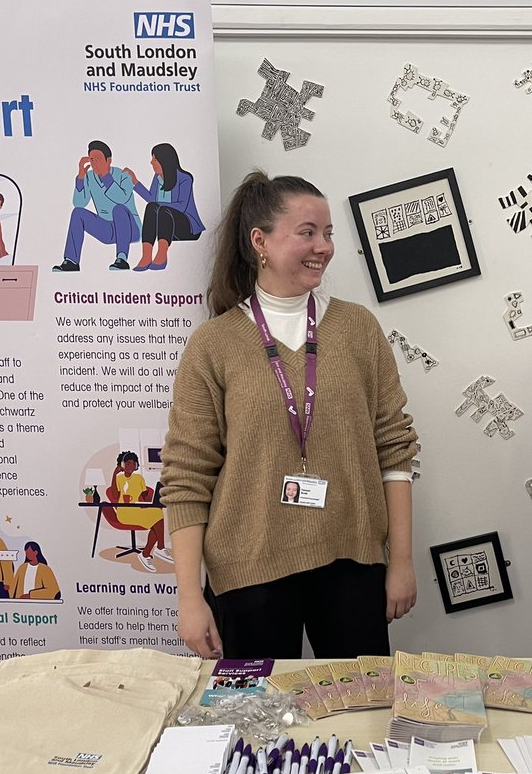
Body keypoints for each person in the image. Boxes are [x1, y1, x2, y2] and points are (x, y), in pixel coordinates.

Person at [161, 171, 419, 660]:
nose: (322, 246)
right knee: (256, 725)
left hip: (352, 561)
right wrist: (190, 599)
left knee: (359, 717)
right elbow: (187, 478)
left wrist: (400, 562)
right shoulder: (214, 344)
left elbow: (395, 449)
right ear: (260, 241)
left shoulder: (357, 328)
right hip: (248, 571)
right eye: (307, 232)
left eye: (328, 234)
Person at [53, 140, 141, 272]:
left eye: (98, 159)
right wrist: (81, 179)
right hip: (108, 230)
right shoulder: (89, 177)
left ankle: (122, 259)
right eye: (92, 159)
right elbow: (79, 203)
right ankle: (71, 261)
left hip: (130, 230)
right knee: (77, 212)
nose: (95, 163)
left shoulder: (123, 175)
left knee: (119, 209)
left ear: (109, 160)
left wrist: (105, 176)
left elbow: (121, 199)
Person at [124, 142, 205, 271]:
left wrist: (159, 205)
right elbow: (151, 199)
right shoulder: (157, 178)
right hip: (166, 227)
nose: (151, 162)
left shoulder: (185, 178)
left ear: (164, 160)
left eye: (154, 159)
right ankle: (146, 256)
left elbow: (182, 206)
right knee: (151, 207)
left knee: (163, 210)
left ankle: (162, 255)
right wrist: (135, 182)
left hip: (187, 227)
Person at [106, 450, 171, 572]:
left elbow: (142, 497)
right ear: (123, 465)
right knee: (156, 517)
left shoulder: (139, 478)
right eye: (128, 463)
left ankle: (148, 553)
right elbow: (114, 494)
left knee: (157, 512)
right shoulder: (119, 479)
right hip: (124, 512)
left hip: (137, 509)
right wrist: (115, 473)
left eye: (133, 463)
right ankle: (157, 549)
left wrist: (152, 498)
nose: (131, 466)